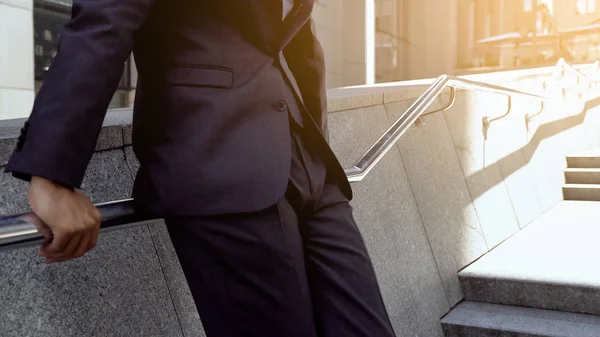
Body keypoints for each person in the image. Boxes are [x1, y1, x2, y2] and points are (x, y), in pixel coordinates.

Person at [5, 1, 397, 336]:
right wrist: (51, 174)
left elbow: (294, 37)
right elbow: (101, 27)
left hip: (309, 165)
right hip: (218, 161)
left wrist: (315, 141)